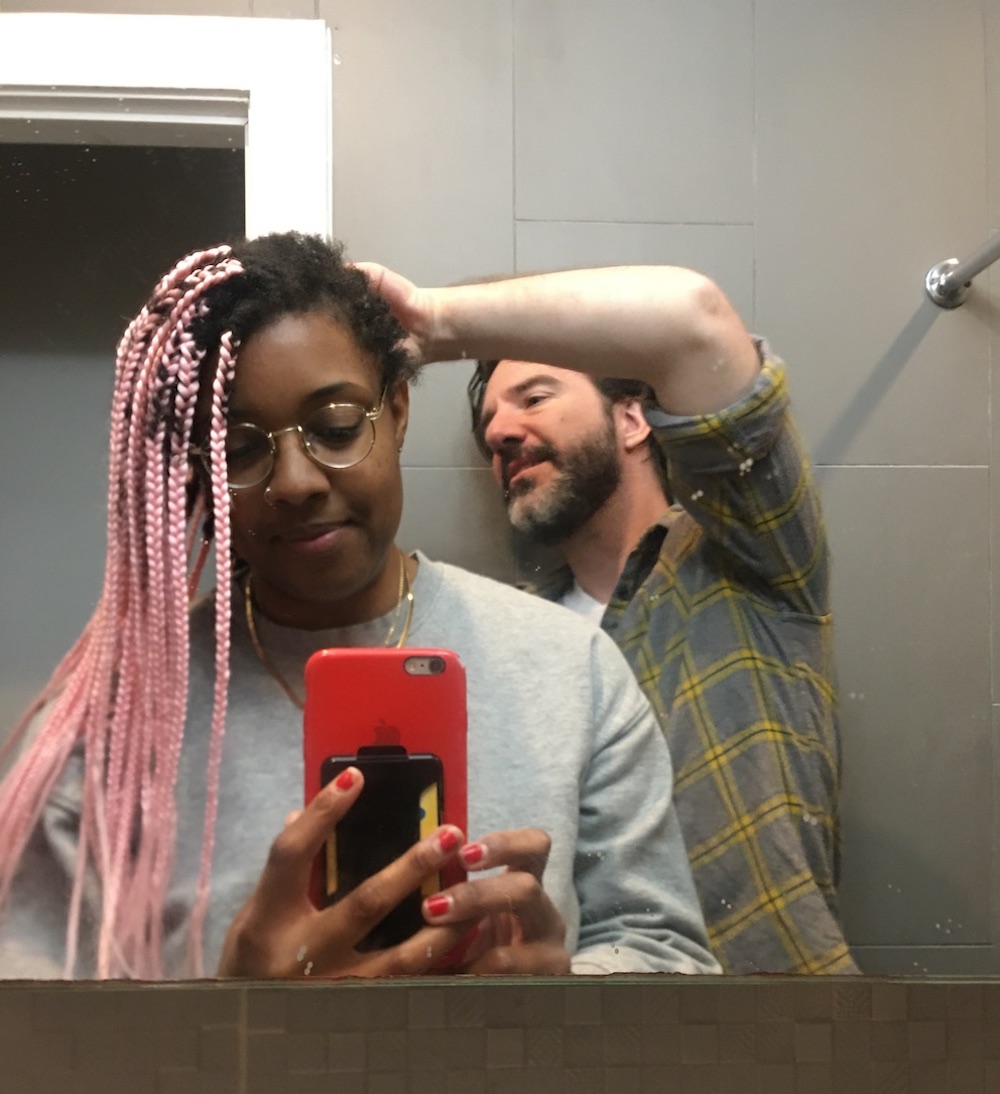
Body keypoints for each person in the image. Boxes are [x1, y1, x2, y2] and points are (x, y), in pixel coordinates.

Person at [0, 233, 718, 981]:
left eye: (336, 428)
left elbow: (668, 954)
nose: (296, 481)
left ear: (397, 410)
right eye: (239, 449)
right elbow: (29, 1020)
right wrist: (231, 1012)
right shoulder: (112, 723)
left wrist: (561, 1002)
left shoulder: (571, 669)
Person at [360, 261, 858, 975]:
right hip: (583, 1030)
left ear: (632, 419)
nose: (499, 432)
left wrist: (434, 323)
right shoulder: (516, 647)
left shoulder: (752, 560)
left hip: (782, 1026)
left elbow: (693, 322)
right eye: (488, 423)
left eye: (534, 397)